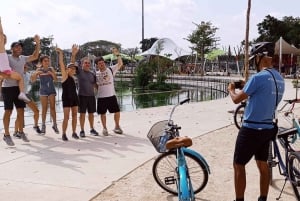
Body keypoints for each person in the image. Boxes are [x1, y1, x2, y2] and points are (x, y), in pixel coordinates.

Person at [227, 42, 285, 201]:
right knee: (262, 163)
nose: (254, 62)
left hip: (251, 129)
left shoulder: (258, 77)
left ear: (260, 57)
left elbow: (236, 100)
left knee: (238, 164)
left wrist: (231, 89)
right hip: (268, 128)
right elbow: (263, 92)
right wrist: (247, 86)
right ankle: (263, 198)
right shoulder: (280, 79)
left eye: (255, 59)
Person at [0, 17, 40, 146]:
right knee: (8, 111)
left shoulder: (23, 58)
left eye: (20, 47)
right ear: (11, 48)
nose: (19, 48)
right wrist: (5, 76)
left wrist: (38, 43)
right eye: (16, 47)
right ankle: (6, 134)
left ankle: (20, 132)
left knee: (21, 111)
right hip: (8, 88)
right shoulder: (6, 57)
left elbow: (35, 56)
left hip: (20, 90)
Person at [71, 44, 99, 137]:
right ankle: (82, 130)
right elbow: (72, 64)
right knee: (82, 114)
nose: (87, 64)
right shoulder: (79, 71)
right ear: (82, 64)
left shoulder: (92, 74)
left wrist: (101, 93)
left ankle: (92, 129)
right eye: (85, 63)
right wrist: (74, 54)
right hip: (82, 96)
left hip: (91, 97)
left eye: (88, 63)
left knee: (91, 114)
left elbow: (95, 85)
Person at [95, 47, 124, 136]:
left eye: (102, 62)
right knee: (102, 114)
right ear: (97, 65)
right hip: (101, 97)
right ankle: (104, 128)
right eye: (99, 64)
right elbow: (95, 84)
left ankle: (117, 126)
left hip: (111, 95)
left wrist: (117, 55)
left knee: (117, 111)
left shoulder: (111, 69)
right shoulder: (95, 73)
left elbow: (120, 63)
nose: (102, 64)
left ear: (104, 62)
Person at [56, 46, 79, 141]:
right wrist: (61, 54)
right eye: (71, 68)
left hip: (74, 98)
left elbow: (72, 63)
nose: (73, 70)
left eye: (74, 69)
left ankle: (74, 132)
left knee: (74, 116)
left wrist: (73, 54)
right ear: (67, 69)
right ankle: (64, 134)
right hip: (66, 98)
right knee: (66, 117)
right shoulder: (65, 76)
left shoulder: (72, 77)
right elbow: (62, 63)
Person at [31, 55, 59, 135]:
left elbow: (56, 80)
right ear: (42, 62)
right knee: (44, 109)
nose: (47, 62)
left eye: (48, 61)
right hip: (43, 91)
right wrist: (36, 73)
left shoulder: (51, 69)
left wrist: (52, 74)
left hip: (51, 90)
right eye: (45, 61)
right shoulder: (39, 69)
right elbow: (32, 80)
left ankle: (55, 124)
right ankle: (43, 125)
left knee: (53, 108)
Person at [13, 64, 42, 139]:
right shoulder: (18, 73)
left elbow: (33, 80)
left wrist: (37, 72)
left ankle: (35, 126)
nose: (25, 68)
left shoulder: (28, 74)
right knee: (19, 115)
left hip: (26, 95)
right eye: (23, 66)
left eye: (26, 66)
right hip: (19, 95)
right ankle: (16, 132)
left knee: (36, 111)